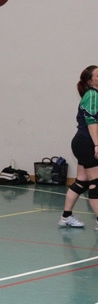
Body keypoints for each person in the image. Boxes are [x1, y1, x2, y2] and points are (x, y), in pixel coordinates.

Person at [58, 65, 98, 230]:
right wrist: (97, 144)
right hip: (87, 143)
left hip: (83, 143)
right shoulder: (92, 95)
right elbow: (91, 121)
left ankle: (66, 217)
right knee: (96, 181)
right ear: (90, 81)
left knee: (82, 181)